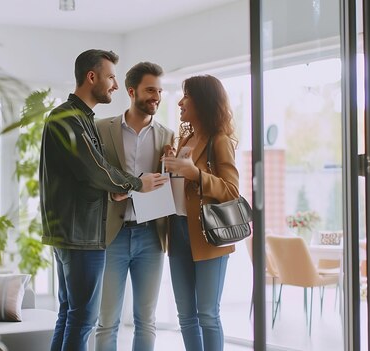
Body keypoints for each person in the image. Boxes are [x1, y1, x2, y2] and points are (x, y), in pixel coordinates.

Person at [39, 49, 168, 351]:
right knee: (84, 318)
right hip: (80, 234)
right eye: (111, 77)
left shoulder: (80, 118)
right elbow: (94, 168)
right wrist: (137, 183)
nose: (114, 85)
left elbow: (88, 172)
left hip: (72, 233)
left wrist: (114, 189)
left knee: (70, 315)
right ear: (91, 76)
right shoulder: (70, 118)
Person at [94, 61, 174, 351]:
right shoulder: (102, 129)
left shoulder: (167, 136)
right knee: (106, 321)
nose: (157, 96)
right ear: (131, 91)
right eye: (150, 89)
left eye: (160, 90)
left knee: (146, 320)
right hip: (112, 234)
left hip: (151, 236)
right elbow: (94, 178)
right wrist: (115, 192)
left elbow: (170, 184)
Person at [162, 75, 239, 351]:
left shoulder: (219, 141)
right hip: (178, 231)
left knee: (207, 314)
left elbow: (231, 191)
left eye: (187, 96)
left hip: (209, 234)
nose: (181, 102)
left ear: (202, 101)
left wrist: (196, 174)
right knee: (186, 316)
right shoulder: (184, 138)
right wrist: (169, 163)